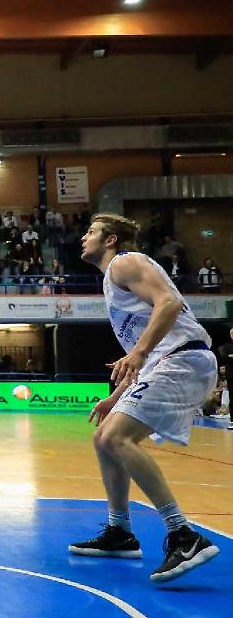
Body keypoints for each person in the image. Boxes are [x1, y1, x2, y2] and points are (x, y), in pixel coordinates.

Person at [68, 213, 220, 583]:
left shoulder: (125, 262)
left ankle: (184, 535)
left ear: (111, 241)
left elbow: (168, 303)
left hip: (184, 357)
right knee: (104, 439)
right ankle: (119, 531)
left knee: (115, 438)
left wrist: (137, 353)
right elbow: (148, 352)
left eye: (91, 232)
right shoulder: (112, 278)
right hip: (166, 361)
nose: (83, 238)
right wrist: (117, 395)